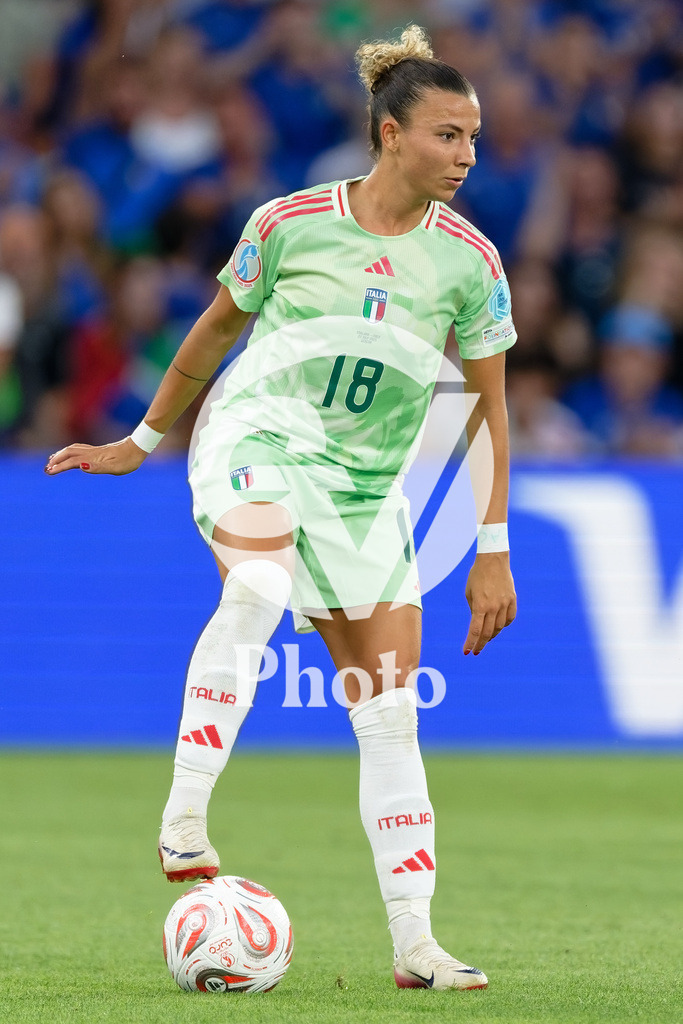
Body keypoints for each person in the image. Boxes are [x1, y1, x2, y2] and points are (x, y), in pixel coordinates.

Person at [46, 25, 517, 992]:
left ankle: (414, 945)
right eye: (447, 135)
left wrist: (491, 547)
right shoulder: (290, 221)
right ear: (389, 133)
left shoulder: (470, 262)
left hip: (364, 490)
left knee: (389, 715)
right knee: (258, 579)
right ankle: (184, 818)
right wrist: (140, 440)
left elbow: (487, 412)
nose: (467, 156)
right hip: (255, 438)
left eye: (473, 138)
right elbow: (216, 329)